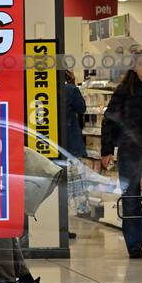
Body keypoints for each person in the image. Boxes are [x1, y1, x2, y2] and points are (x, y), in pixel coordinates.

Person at [100, 50, 142, 259]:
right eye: (141, 63)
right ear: (134, 67)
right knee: (131, 198)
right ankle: (134, 244)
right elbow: (109, 120)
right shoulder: (124, 91)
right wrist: (106, 150)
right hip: (130, 152)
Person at [58, 69, 89, 234]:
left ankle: (58, 225)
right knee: (71, 187)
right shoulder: (70, 90)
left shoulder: (46, 90)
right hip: (70, 146)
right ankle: (65, 227)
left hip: (52, 146)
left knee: (58, 187)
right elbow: (82, 108)